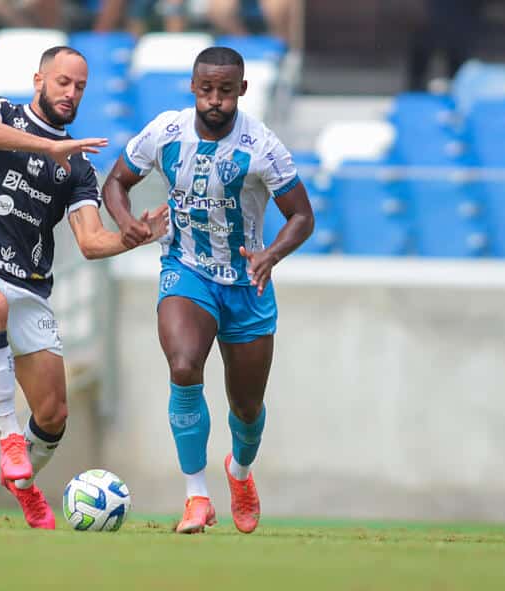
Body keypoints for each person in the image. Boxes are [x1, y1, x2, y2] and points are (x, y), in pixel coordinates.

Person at [0, 45, 168, 529]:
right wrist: (47, 146)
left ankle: (21, 486)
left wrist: (133, 237)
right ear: (39, 79)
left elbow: (90, 240)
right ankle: (8, 441)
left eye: (80, 86)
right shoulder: (0, 111)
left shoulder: (79, 168)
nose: (71, 93)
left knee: (55, 413)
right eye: (63, 82)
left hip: (30, 288)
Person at [102, 46, 314, 534]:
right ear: (193, 88)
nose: (214, 100)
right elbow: (117, 181)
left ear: (242, 89)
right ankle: (196, 497)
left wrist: (270, 255)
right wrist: (126, 222)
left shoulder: (263, 146)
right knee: (183, 365)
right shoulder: (166, 132)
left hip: (247, 281)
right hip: (187, 269)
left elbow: (302, 216)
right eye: (206, 89)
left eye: (225, 90)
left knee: (246, 406)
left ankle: (239, 473)